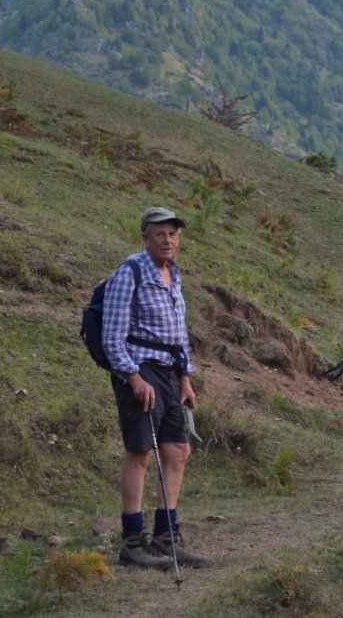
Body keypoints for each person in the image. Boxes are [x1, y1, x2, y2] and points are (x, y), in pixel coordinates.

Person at [102, 206, 207, 569]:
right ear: (145, 237)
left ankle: (166, 537)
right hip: (140, 371)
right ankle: (132, 543)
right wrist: (133, 378)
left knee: (177, 450)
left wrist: (185, 377)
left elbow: (179, 334)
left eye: (173, 234)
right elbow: (112, 337)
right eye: (160, 234)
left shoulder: (173, 275)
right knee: (141, 453)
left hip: (169, 374)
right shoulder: (128, 273)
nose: (168, 240)